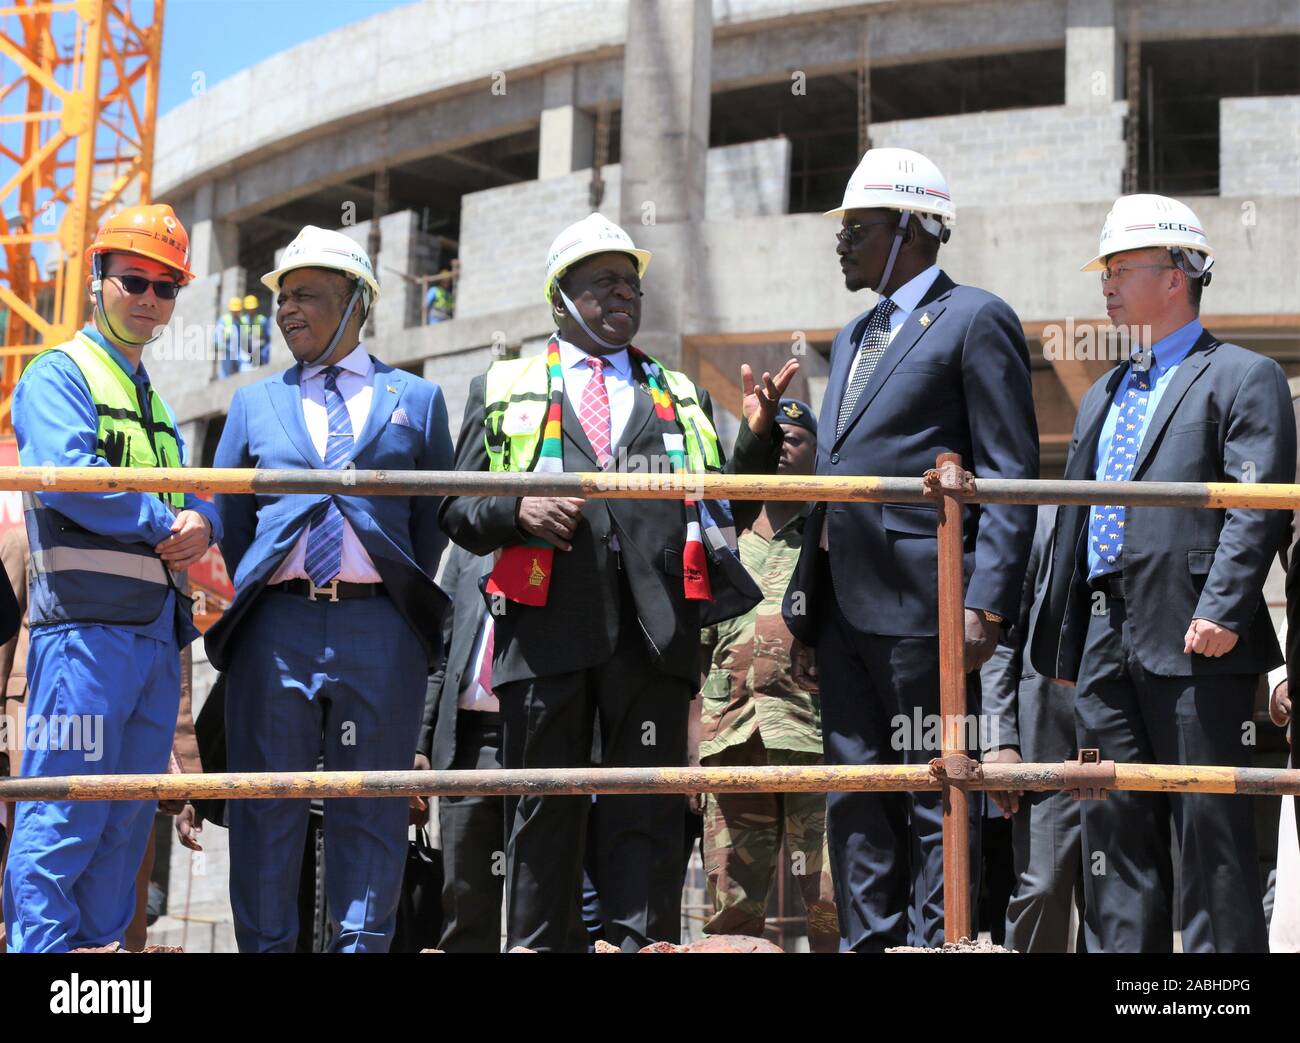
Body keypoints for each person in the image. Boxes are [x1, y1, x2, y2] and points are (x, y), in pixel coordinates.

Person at [439, 213, 796, 952]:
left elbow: (725, 505)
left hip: (653, 637)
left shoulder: (680, 392)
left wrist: (755, 437)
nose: (622, 296)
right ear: (559, 297)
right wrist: (517, 507)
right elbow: (455, 507)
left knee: (647, 815)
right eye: (603, 282)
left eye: (631, 284)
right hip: (544, 634)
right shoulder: (502, 386)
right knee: (543, 816)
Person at [782, 147, 1039, 951]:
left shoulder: (975, 318)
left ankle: (938, 944)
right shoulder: (851, 334)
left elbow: (1007, 472)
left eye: (856, 226)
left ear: (911, 228)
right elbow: (834, 477)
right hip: (844, 612)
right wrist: (807, 605)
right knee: (857, 796)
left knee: (935, 795)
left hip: (926, 609)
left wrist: (985, 601)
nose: (841, 241)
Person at [1029, 194, 1294, 953]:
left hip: (1195, 636)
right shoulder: (1106, 395)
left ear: (1177, 274)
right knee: (1114, 830)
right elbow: (1077, 524)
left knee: (1211, 835)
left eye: (1120, 268)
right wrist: (1067, 643)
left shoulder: (1243, 377)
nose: (1105, 286)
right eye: (1104, 271)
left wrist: (1223, 610)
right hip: (1107, 637)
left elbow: (1255, 506)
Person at [206, 225, 453, 952]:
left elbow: (431, 524)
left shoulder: (420, 399)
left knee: (371, 810)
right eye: (281, 297)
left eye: (306, 295)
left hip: (380, 630)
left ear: (357, 303)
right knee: (264, 809)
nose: (286, 310)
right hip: (275, 631)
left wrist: (380, 578)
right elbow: (229, 523)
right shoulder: (252, 405)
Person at [2, 204, 221, 952]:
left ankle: (93, 980)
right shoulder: (58, 375)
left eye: (166, 288)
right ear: (98, 278)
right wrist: (169, 525)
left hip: (153, 646)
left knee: (123, 826)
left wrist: (205, 522)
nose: (150, 299)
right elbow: (68, 479)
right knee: (64, 818)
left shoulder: (154, 400)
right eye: (135, 280)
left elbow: (194, 496)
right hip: (86, 645)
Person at [696, 398, 838, 952]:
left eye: (795, 439)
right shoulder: (725, 539)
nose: (781, 447)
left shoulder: (829, 533)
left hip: (811, 739)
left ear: (816, 453)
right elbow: (699, 649)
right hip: (731, 740)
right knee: (732, 901)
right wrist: (692, 752)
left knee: (827, 897)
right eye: (771, 437)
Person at [981, 505, 1084, 952]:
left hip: (1129, 734)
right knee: (1042, 884)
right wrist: (998, 740)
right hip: (1047, 736)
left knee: (1119, 896)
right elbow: (1000, 644)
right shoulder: (1044, 520)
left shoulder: (1154, 509)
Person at [416, 544, 504, 952]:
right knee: (465, 897)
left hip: (535, 735)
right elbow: (440, 649)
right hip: (466, 740)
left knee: (537, 895)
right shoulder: (468, 551)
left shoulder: (559, 544)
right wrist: (421, 743)